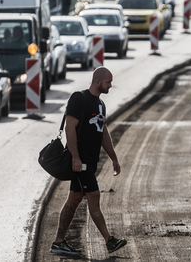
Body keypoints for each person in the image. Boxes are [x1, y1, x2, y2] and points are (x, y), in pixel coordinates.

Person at [51, 67, 127, 255]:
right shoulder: (79, 99)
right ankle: (109, 240)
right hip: (80, 163)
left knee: (74, 199)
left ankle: (59, 242)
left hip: (89, 163)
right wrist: (75, 157)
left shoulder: (100, 105)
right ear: (98, 81)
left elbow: (103, 134)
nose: (110, 85)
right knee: (94, 196)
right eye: (108, 82)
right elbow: (70, 128)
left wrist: (114, 158)